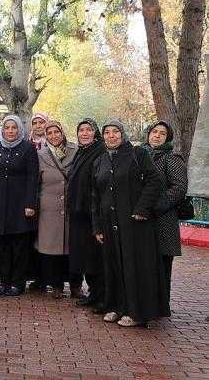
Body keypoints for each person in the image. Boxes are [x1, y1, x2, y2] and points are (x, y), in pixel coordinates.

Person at [92, 119, 169, 327]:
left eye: (115, 131)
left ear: (122, 133)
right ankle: (116, 306)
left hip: (134, 222)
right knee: (113, 265)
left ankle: (135, 312)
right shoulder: (100, 161)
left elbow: (155, 181)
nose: (111, 136)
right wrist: (97, 226)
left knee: (134, 266)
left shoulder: (138, 154)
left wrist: (142, 208)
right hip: (109, 223)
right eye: (107, 132)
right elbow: (95, 196)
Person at [0, 115, 39, 296]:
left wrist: (30, 203)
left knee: (19, 245)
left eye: (14, 127)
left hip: (19, 201)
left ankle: (17, 282)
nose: (10, 131)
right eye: (7, 127)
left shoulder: (28, 148)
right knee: (1, 244)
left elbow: (33, 177)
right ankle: (3, 281)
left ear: (19, 129)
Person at [142, 120, 188, 298]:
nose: (157, 136)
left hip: (163, 219)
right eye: (154, 132)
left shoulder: (172, 158)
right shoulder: (140, 155)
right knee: (144, 264)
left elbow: (179, 188)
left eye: (162, 133)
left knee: (161, 265)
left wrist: (154, 206)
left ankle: (161, 304)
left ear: (168, 138)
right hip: (142, 218)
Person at [36, 120, 80, 297]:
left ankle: (76, 285)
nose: (54, 136)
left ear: (62, 132)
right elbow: (36, 181)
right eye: (50, 133)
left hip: (72, 206)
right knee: (52, 249)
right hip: (49, 208)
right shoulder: (41, 154)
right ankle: (56, 285)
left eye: (57, 132)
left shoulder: (75, 150)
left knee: (74, 248)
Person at [68, 118, 107, 312]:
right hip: (79, 212)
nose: (84, 133)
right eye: (81, 130)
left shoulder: (100, 151)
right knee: (86, 257)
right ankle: (93, 293)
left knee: (95, 257)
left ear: (95, 133)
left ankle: (102, 296)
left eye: (88, 130)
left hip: (92, 212)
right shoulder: (81, 151)